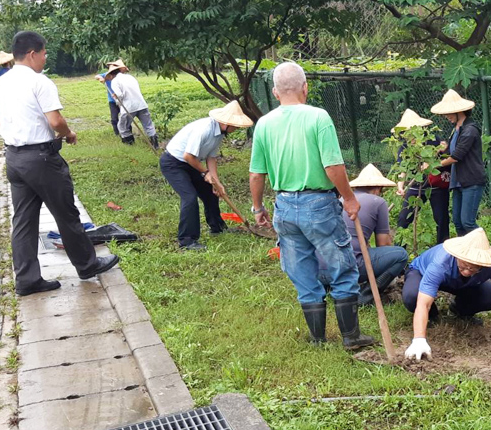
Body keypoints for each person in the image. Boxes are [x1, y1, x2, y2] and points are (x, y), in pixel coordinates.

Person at [249, 61, 375, 350]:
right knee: (341, 267)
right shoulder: (318, 117)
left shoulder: (264, 124)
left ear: (275, 92)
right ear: (306, 88)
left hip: (283, 206)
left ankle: (318, 338)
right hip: (318, 204)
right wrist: (349, 198)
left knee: (301, 271)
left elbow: (257, 173)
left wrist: (258, 207)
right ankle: (351, 336)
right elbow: (332, 165)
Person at [0, 31, 119, 296]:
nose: (45, 58)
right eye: (44, 53)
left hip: (14, 159)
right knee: (66, 213)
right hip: (41, 159)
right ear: (32, 54)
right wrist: (68, 134)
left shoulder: (0, 83)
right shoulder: (40, 82)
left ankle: (27, 280)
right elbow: (56, 121)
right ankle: (87, 265)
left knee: (24, 220)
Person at [403, 227, 491, 360]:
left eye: (473, 268)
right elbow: (423, 303)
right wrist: (419, 339)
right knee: (413, 296)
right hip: (421, 273)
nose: (467, 271)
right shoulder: (441, 263)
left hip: (463, 283)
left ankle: (459, 309)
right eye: (463, 265)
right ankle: (433, 315)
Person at [160, 101, 253, 251]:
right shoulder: (204, 129)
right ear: (225, 122)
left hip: (192, 163)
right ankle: (187, 240)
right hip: (174, 163)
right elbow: (188, 156)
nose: (235, 129)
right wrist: (204, 173)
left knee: (211, 192)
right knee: (189, 198)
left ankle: (218, 227)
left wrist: (216, 181)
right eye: (234, 125)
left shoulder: (219, 133)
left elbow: (211, 157)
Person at [319, 164, 409, 306]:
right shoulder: (378, 202)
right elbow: (383, 243)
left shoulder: (342, 200)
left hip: (319, 270)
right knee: (400, 255)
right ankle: (365, 296)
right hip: (344, 269)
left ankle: (330, 289)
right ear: (378, 188)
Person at [431, 89, 486, 237]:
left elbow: (457, 156)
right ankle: (466, 254)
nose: (447, 116)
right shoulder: (456, 129)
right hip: (458, 181)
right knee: (458, 222)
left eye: (449, 113)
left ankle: (484, 249)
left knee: (467, 222)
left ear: (459, 112)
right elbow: (450, 151)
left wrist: (433, 165)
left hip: (471, 180)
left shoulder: (470, 130)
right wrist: (441, 150)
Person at [393, 109, 451, 245]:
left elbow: (446, 152)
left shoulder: (431, 139)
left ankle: (442, 250)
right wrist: (400, 186)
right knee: (403, 219)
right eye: (405, 132)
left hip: (435, 185)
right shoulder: (404, 147)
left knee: (441, 219)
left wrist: (439, 151)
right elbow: (403, 169)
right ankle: (399, 251)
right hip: (415, 186)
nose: (408, 135)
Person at [104, 61, 158, 148]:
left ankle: (130, 144)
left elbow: (119, 95)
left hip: (128, 107)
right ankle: (155, 144)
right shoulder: (130, 77)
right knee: (148, 125)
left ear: (111, 74)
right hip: (141, 104)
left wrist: (115, 98)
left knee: (122, 126)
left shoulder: (115, 81)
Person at [94, 59, 127, 138]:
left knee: (125, 117)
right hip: (112, 101)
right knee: (114, 119)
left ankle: (127, 133)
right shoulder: (107, 75)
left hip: (122, 100)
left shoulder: (122, 78)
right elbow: (97, 76)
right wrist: (100, 78)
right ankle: (117, 134)